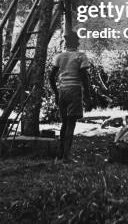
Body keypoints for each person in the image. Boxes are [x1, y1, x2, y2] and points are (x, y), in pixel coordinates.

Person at [49, 31, 92, 162]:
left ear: (66, 44)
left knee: (64, 124)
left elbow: (51, 76)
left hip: (62, 91)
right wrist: (88, 97)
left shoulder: (59, 57)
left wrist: (56, 93)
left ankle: (60, 155)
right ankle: (66, 156)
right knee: (71, 124)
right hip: (74, 91)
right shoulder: (81, 56)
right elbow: (84, 77)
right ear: (77, 43)